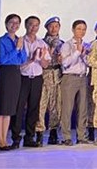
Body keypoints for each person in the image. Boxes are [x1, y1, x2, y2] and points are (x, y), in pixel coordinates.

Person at [9, 16, 50, 149]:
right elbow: (17, 63)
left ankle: (29, 137)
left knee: (34, 108)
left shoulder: (42, 43)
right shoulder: (20, 41)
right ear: (26, 26)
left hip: (37, 78)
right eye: (31, 24)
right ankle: (15, 138)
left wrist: (42, 58)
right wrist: (31, 59)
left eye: (36, 25)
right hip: (22, 78)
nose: (34, 27)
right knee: (18, 108)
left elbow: (45, 65)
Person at [0, 14, 27, 151]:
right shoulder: (1, 40)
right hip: (5, 73)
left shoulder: (19, 40)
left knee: (9, 109)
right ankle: (0, 139)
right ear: (6, 23)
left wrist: (19, 48)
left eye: (17, 23)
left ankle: (4, 139)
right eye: (11, 22)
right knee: (2, 108)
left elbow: (22, 60)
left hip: (16, 73)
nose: (14, 25)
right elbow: (2, 59)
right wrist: (16, 49)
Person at [60, 20, 91, 146]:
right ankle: (66, 136)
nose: (81, 31)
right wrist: (77, 52)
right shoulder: (67, 45)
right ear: (73, 30)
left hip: (83, 78)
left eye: (84, 29)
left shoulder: (87, 45)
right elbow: (65, 63)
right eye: (79, 29)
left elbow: (90, 62)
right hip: (69, 78)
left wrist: (84, 55)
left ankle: (81, 136)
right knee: (67, 108)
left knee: (83, 108)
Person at [35, 16, 64, 146]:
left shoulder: (63, 43)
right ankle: (39, 133)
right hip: (43, 76)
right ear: (47, 28)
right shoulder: (41, 43)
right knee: (41, 105)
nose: (54, 29)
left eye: (56, 26)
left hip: (57, 75)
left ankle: (53, 133)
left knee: (56, 106)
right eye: (51, 26)